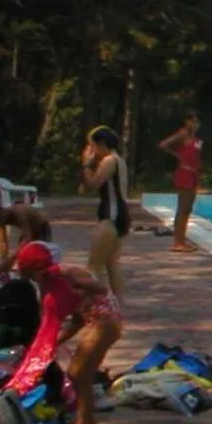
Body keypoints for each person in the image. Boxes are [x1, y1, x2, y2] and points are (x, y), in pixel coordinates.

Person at [8, 241, 121, 424]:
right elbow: (76, 321)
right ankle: (84, 423)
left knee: (78, 374)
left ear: (38, 269)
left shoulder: (67, 275)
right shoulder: (52, 287)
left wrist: (81, 285)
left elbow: (102, 289)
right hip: (98, 323)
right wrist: (50, 345)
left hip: (105, 323)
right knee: (80, 375)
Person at [82, 126, 130, 303]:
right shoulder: (118, 159)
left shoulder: (109, 160)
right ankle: (119, 304)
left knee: (93, 267)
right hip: (120, 215)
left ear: (101, 144)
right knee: (112, 265)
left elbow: (92, 184)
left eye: (92, 147)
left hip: (111, 216)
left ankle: (89, 306)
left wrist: (86, 163)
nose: (91, 151)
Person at [158, 112, 203, 252]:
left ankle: (182, 240)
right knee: (182, 208)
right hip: (184, 173)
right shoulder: (183, 134)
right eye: (192, 122)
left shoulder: (195, 138)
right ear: (186, 122)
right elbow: (163, 144)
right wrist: (177, 155)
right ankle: (178, 243)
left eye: (197, 122)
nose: (195, 125)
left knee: (188, 209)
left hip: (193, 173)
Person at [0, 203, 52, 275]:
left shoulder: (19, 213)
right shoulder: (5, 216)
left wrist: (11, 258)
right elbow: (4, 240)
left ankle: (45, 274)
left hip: (41, 227)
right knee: (21, 251)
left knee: (40, 253)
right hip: (29, 229)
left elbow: (27, 238)